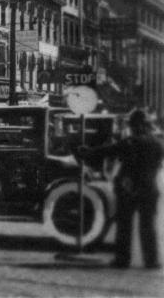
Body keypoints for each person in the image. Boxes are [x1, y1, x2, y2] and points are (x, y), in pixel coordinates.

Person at [76, 108, 163, 269]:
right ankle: (151, 260)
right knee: (148, 226)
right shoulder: (157, 144)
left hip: (128, 189)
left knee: (124, 226)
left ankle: (123, 259)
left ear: (135, 126)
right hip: (150, 189)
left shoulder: (129, 142)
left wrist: (85, 152)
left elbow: (105, 152)